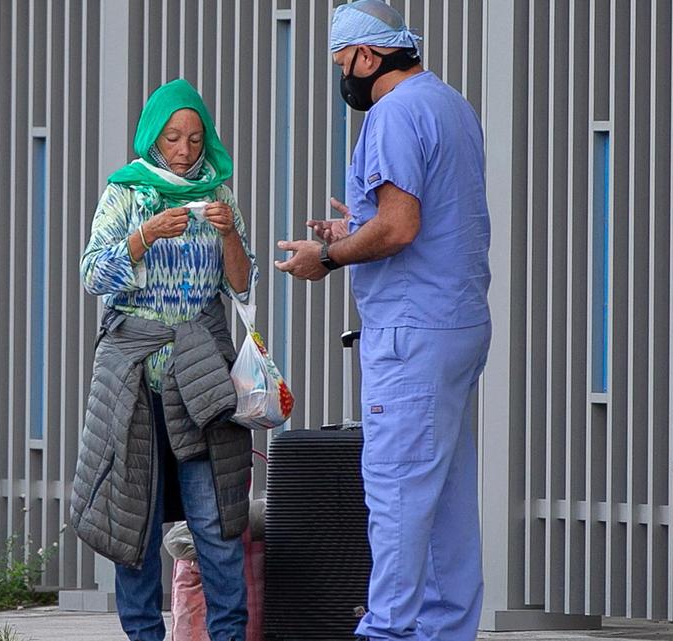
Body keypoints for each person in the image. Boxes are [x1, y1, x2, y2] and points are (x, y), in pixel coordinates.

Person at [274, 2, 492, 640]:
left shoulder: (393, 113)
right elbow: (427, 214)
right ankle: (445, 629)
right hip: (457, 321)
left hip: (411, 330)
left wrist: (330, 255)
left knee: (396, 491)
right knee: (447, 494)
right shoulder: (449, 102)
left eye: (343, 64)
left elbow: (400, 226)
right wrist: (355, 228)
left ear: (368, 57)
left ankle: (388, 632)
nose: (343, 77)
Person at [71, 78, 257, 641]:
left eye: (195, 139)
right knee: (137, 527)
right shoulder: (126, 192)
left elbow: (242, 287)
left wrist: (228, 237)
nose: (183, 150)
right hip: (133, 380)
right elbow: (92, 275)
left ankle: (227, 634)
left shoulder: (219, 197)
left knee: (216, 523)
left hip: (200, 377)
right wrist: (145, 235)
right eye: (173, 137)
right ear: (153, 136)